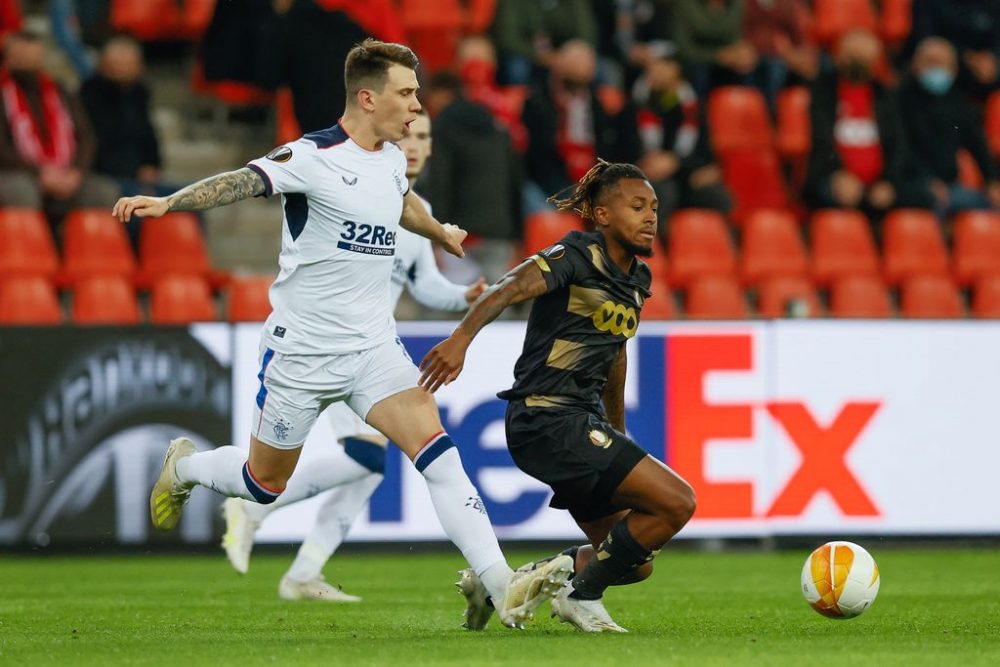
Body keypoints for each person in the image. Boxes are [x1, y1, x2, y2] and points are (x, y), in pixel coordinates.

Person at [112, 38, 571, 630]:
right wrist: (169, 203)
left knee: (440, 458)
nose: (415, 106)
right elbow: (242, 182)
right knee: (263, 485)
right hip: (301, 353)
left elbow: (402, 203)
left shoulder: (387, 159)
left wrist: (440, 233)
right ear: (367, 95)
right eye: (406, 94)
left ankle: (500, 583)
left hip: (373, 350)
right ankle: (187, 469)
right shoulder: (312, 156)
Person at [219, 110, 489, 602]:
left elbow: (423, 284)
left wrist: (464, 297)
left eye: (426, 136)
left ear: (430, 148)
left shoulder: (417, 211)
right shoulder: (343, 176)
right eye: (411, 128)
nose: (414, 141)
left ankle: (302, 570)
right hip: (322, 344)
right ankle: (255, 510)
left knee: (368, 466)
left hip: (371, 350)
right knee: (367, 458)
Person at [419, 160, 697, 632]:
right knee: (677, 502)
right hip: (546, 418)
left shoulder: (637, 280)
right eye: (637, 206)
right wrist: (459, 341)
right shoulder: (575, 254)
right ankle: (580, 597)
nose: (651, 216)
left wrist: (617, 431)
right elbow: (507, 288)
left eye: (654, 207)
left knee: (634, 562)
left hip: (580, 425)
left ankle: (508, 585)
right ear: (603, 214)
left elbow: (614, 352)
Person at [804, 29, 928, 215]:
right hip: (833, 178)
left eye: (863, 58)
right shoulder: (823, 92)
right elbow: (822, 141)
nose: (858, 64)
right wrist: (838, 174)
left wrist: (888, 181)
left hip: (878, 183)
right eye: (854, 57)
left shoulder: (884, 96)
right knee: (833, 195)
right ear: (839, 56)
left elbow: (897, 145)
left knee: (922, 197)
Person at [0, 30, 119, 223]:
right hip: (15, 173)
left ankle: (88, 250)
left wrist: (76, 172)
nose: (27, 64)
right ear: (9, 58)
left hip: (65, 172)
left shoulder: (59, 91)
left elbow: (86, 136)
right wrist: (40, 173)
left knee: (104, 192)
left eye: (33, 58)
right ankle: (26, 249)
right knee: (21, 191)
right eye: (21, 58)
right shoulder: (3, 92)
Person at [423, 70, 523, 284]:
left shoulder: (444, 128)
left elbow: (441, 183)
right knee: (496, 303)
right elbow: (515, 183)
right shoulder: (498, 130)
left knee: (446, 304)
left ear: (442, 94)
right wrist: (517, 235)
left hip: (459, 232)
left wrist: (436, 234)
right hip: (498, 229)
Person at [522, 39, 640, 213]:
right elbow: (537, 155)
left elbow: (614, 151)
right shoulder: (538, 102)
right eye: (575, 62)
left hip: (591, 179)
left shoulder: (599, 107)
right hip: (549, 181)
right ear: (559, 64)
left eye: (587, 63)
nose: (581, 68)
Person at [899, 37, 1000, 217]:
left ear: (953, 70)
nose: (936, 69)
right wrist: (927, 182)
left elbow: (978, 145)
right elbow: (901, 149)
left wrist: (992, 181)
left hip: (952, 187)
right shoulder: (900, 100)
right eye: (931, 62)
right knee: (928, 201)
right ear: (915, 65)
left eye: (942, 64)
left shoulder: (959, 104)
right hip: (912, 184)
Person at [633, 55, 731, 233]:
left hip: (686, 178)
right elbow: (623, 150)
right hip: (646, 179)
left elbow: (704, 155)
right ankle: (654, 253)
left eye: (664, 66)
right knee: (664, 193)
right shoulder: (634, 105)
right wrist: (643, 167)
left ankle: (712, 252)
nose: (657, 71)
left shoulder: (692, 109)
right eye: (654, 67)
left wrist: (677, 163)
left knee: (718, 196)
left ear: (677, 72)